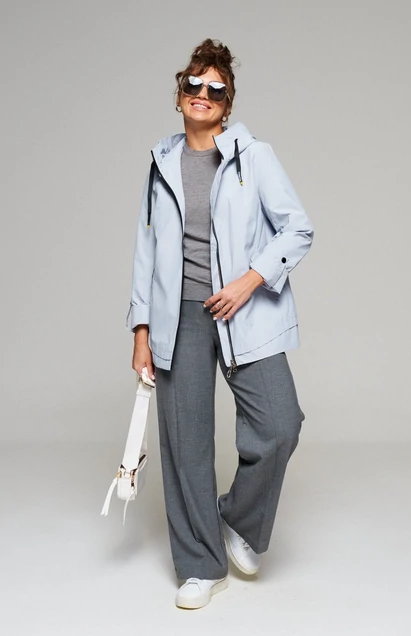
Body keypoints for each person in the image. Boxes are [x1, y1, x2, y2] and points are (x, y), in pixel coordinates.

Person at [126, 38, 314, 609]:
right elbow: (145, 249)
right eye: (193, 83)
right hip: (176, 316)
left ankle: (237, 520)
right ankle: (200, 566)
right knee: (185, 444)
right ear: (179, 94)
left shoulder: (253, 157)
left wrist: (249, 281)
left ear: (227, 103)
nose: (202, 93)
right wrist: (140, 331)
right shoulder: (161, 162)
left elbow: (297, 228)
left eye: (216, 88)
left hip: (244, 308)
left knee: (279, 424)